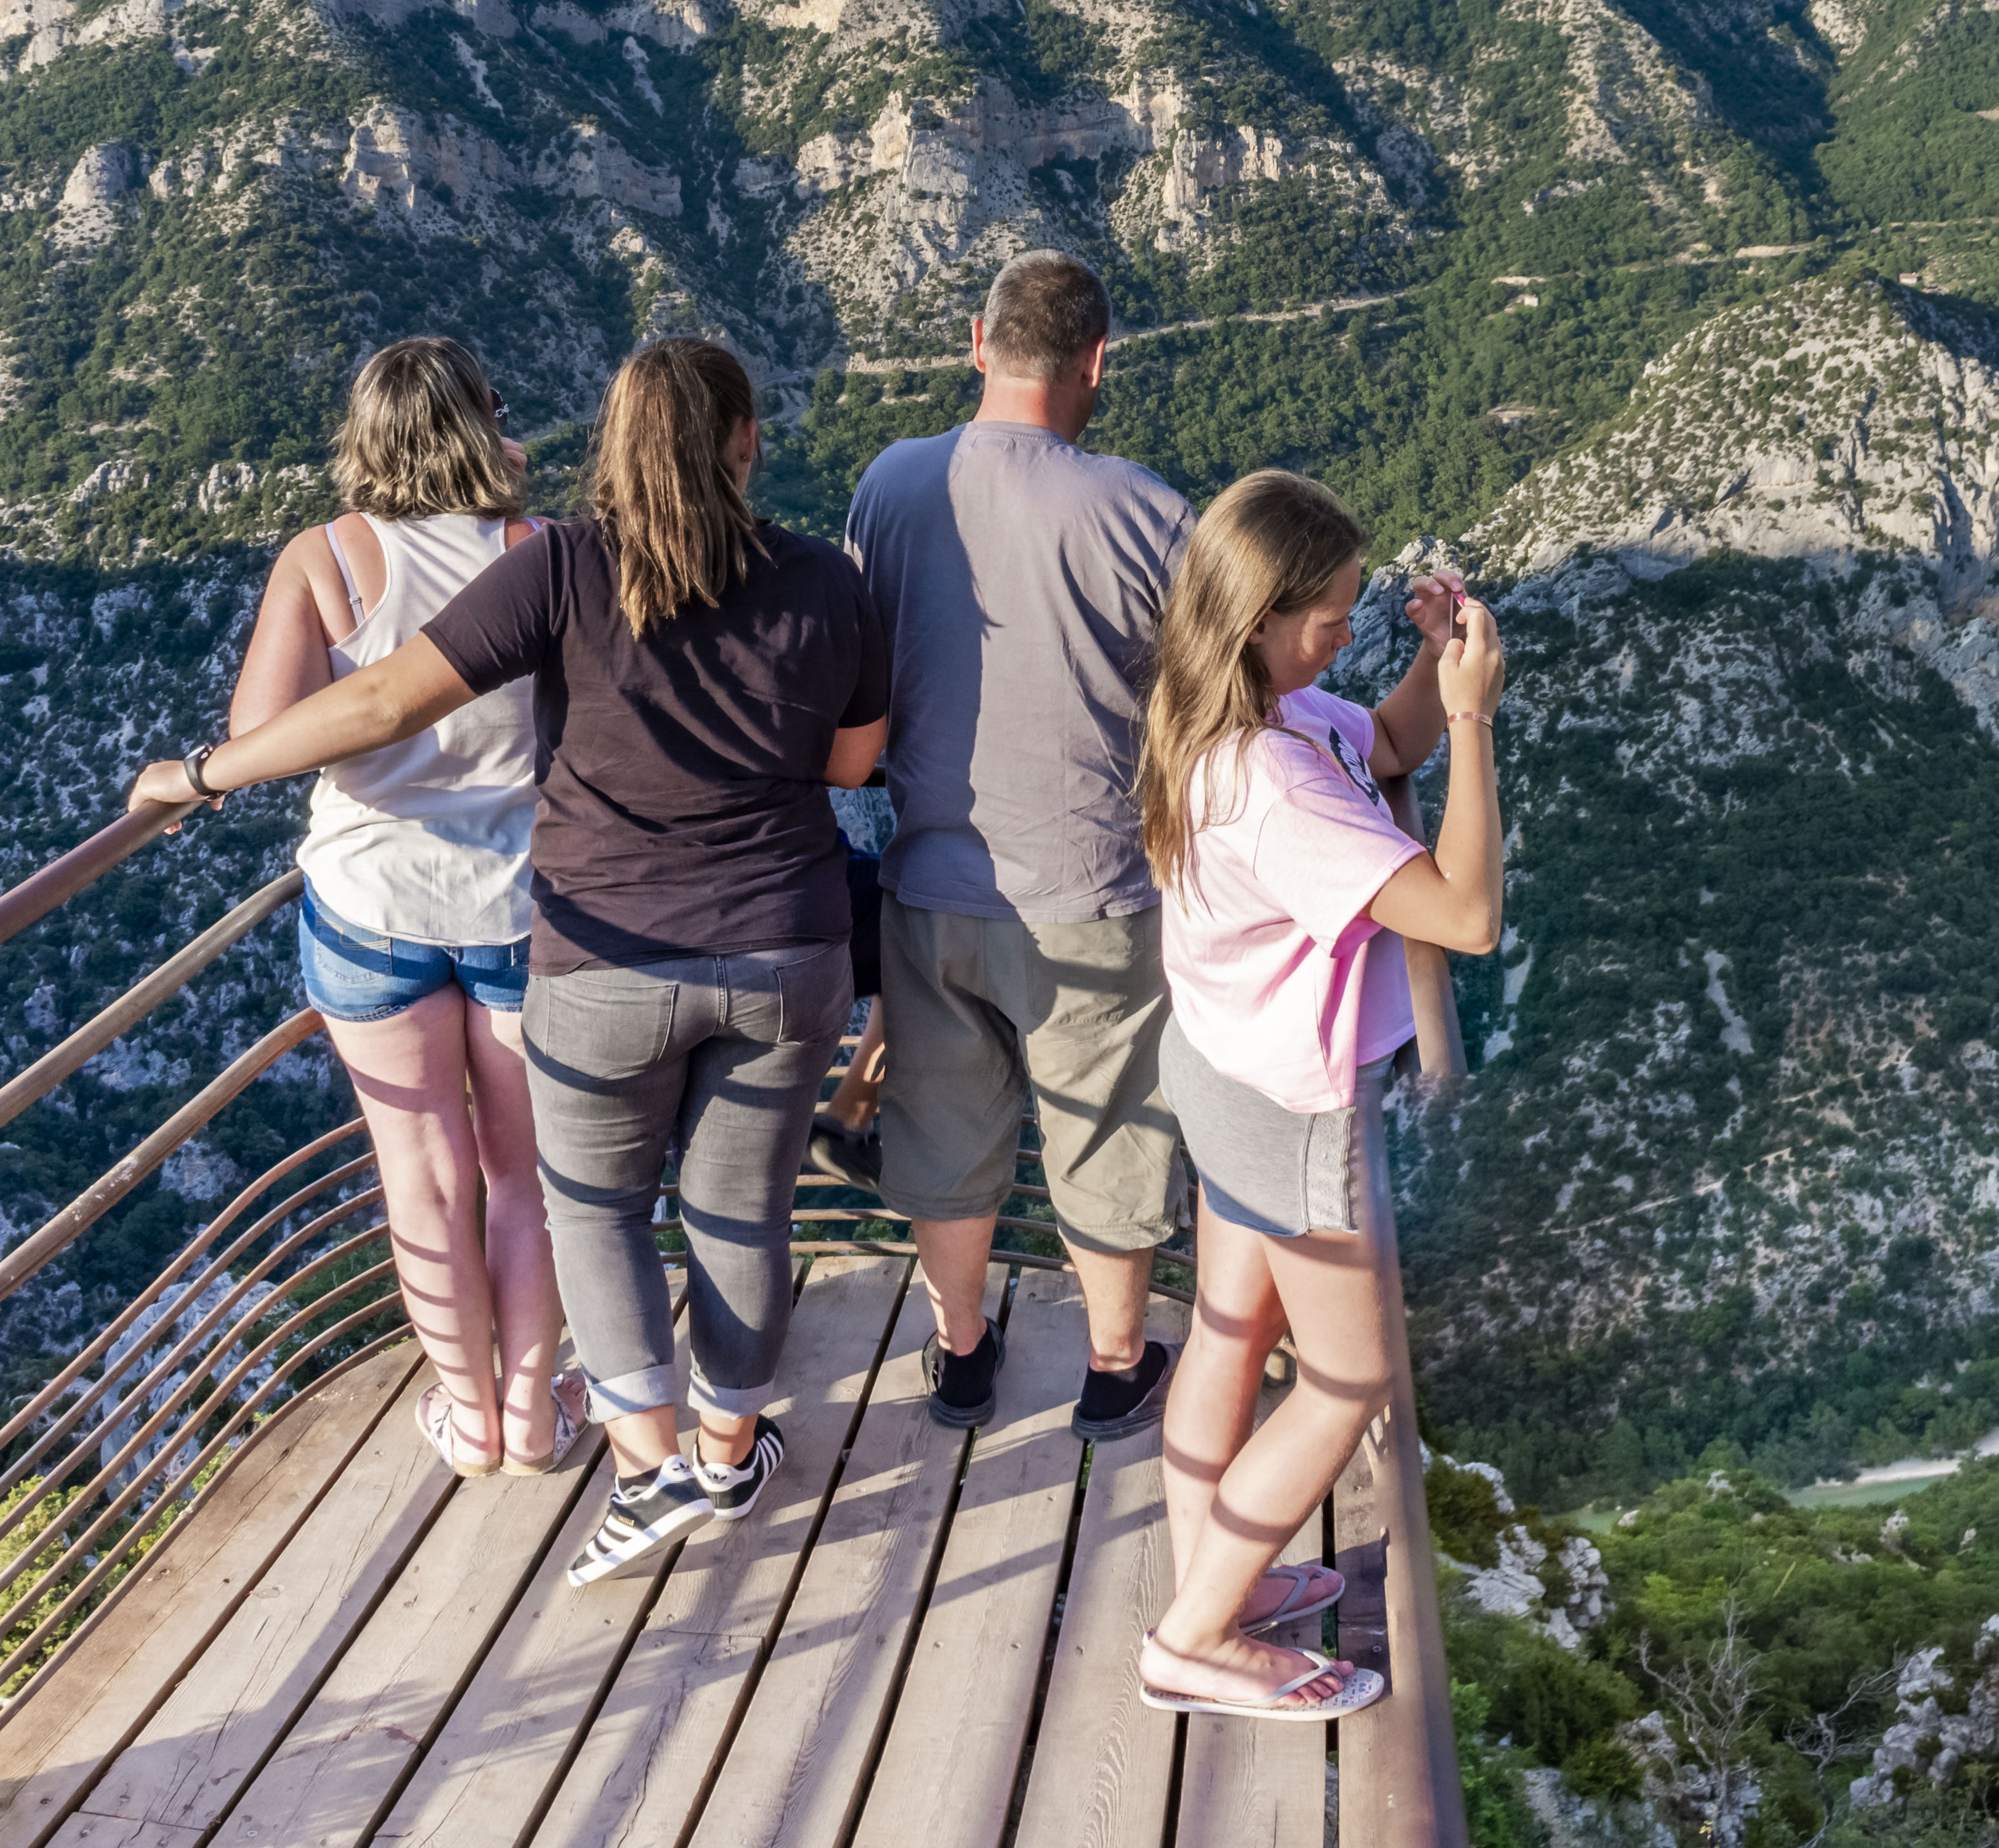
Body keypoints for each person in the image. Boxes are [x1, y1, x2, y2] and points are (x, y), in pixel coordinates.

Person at [142, 337, 887, 1588]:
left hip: (596, 952)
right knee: (736, 1207)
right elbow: (855, 767)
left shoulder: (563, 568)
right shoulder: (821, 575)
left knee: (585, 1205)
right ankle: (725, 1449)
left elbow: (380, 706)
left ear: (613, 445)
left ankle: (635, 1463)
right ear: (748, 445)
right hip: (781, 944)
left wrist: (203, 774)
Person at [1132, 472, 1505, 1720]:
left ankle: (1217, 1577)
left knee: (1231, 1335)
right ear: (1264, 620)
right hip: (1293, 1108)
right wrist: (1475, 723)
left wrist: (1428, 662)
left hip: (1218, 1068)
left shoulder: (1240, 711)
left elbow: (1378, 741)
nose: (1349, 635)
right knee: (1346, 1384)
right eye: (1336, 620)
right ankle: (1192, 1639)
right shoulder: (1275, 786)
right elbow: (1466, 915)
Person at [843, 252, 1194, 1442]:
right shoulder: (1146, 510)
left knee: (944, 1133)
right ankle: (1110, 1367)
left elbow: (859, 675)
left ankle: (961, 1357)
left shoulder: (890, 487)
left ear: (976, 344)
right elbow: (1204, 704)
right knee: (1107, 1132)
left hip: (930, 879)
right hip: (1094, 889)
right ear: (1097, 363)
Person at [225, 338, 571, 1480]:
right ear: (485, 424)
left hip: (373, 903)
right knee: (532, 1172)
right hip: (523, 905)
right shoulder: (540, 551)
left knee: (425, 1173)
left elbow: (258, 742)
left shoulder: (322, 560)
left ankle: (469, 1421)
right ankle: (534, 1417)